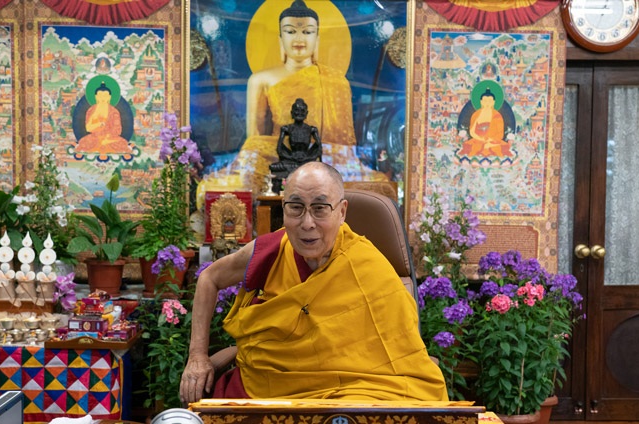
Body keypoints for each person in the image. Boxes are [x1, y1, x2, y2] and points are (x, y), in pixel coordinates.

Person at [180, 162, 447, 404]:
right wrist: (197, 357)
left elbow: (401, 356)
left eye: (320, 209)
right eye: (296, 208)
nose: (307, 223)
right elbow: (209, 278)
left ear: (341, 212)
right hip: (268, 387)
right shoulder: (272, 250)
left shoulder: (368, 266)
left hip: (351, 392)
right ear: (283, 210)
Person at [196, 0, 387, 207]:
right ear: (280, 38)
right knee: (211, 188)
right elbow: (255, 144)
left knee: (382, 187)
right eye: (290, 31)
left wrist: (319, 155)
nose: (298, 38)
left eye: (307, 32)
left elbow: (344, 148)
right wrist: (281, 154)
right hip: (277, 162)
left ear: (317, 38)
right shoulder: (261, 80)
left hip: (326, 161)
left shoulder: (336, 81)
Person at [269, 98, 322, 175]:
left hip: (307, 159)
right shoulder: (286, 129)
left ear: (306, 113)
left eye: (302, 111)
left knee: (316, 167)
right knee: (275, 167)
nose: (299, 113)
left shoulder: (312, 129)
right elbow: (279, 149)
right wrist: (290, 157)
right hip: (291, 159)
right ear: (292, 113)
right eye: (297, 110)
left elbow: (319, 149)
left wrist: (308, 158)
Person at [76, 82, 131, 154]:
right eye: (100, 95)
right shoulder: (91, 110)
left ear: (109, 97)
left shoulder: (114, 111)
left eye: (105, 95)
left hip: (110, 139)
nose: (102, 98)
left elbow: (118, 130)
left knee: (122, 143)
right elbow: (88, 128)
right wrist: (98, 124)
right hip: (94, 138)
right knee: (84, 142)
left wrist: (107, 138)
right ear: (96, 97)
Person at [457, 88, 511, 157]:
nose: (487, 103)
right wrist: (481, 139)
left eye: (489, 101)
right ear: (481, 102)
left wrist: (490, 140)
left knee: (500, 147)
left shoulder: (497, 115)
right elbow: (472, 131)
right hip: (478, 140)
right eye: (485, 101)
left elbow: (500, 134)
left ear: (493, 102)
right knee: (470, 146)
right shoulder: (476, 115)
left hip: (493, 141)